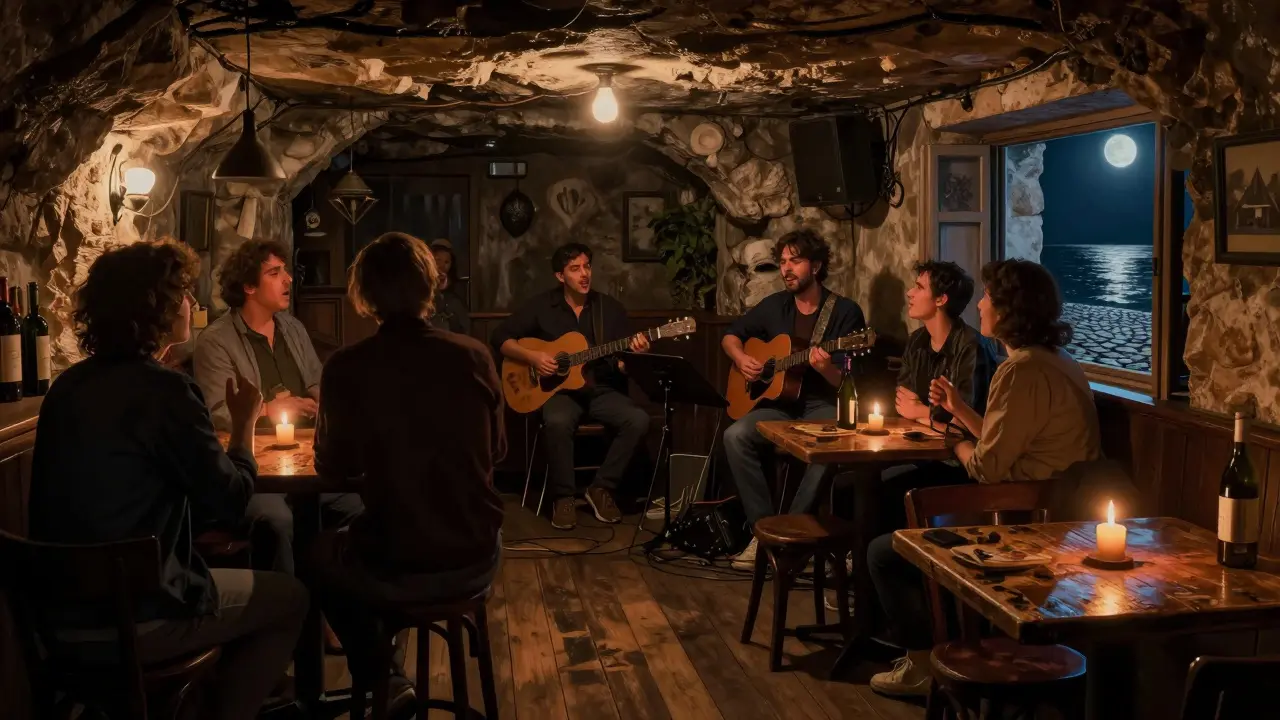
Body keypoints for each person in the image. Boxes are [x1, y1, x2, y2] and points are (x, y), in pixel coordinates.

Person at [28, 239, 307, 720]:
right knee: (291, 599)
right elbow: (234, 499)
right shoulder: (167, 390)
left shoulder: (66, 388)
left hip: (55, 619)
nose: (192, 305)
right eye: (183, 293)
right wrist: (244, 424)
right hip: (137, 618)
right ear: (155, 307)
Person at [868, 258, 1101, 698]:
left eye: (990, 297)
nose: (979, 305)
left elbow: (987, 467)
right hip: (1050, 506)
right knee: (900, 505)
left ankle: (924, 664)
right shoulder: (1053, 359)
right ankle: (947, 647)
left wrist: (952, 441)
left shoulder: (1021, 371)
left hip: (1029, 518)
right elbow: (1006, 441)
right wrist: (958, 410)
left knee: (886, 551)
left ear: (1011, 308)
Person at [311, 231, 505, 712]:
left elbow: (333, 470)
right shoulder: (473, 356)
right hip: (475, 547)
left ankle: (380, 671)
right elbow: (498, 450)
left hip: (393, 554)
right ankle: (386, 663)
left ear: (364, 295)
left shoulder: (345, 367)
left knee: (313, 556)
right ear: (429, 287)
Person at [194, 239, 363, 575]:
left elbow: (318, 382)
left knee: (358, 508)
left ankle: (333, 605)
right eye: (275, 272)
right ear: (248, 286)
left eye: (285, 270)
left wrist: (319, 401)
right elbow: (217, 412)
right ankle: (287, 612)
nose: (288, 279)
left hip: (307, 463)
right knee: (276, 520)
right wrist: (272, 409)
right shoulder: (216, 341)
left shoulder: (292, 328)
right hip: (255, 471)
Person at [721, 229, 866, 571]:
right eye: (783, 261)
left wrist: (826, 368)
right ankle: (763, 532)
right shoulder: (775, 306)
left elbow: (850, 380)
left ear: (815, 267)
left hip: (822, 405)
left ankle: (793, 533)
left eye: (795, 261)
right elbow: (731, 336)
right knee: (735, 435)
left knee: (831, 441)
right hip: (778, 406)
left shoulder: (845, 313)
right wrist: (742, 359)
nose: (786, 268)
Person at [492, 242, 651, 531]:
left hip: (600, 389)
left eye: (587, 266)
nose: (584, 274)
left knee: (638, 420)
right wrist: (534, 357)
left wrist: (633, 358)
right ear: (560, 276)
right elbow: (500, 338)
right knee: (557, 420)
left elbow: (622, 364)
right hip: (558, 392)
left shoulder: (609, 309)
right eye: (575, 268)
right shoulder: (542, 306)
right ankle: (563, 496)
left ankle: (601, 488)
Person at [876, 261, 998, 532]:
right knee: (853, 483)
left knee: (885, 488)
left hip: (961, 465)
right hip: (922, 451)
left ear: (941, 299)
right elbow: (902, 402)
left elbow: (962, 422)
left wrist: (922, 412)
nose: (909, 293)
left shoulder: (971, 346)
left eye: (919, 287)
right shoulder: (917, 340)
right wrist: (927, 414)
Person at [428, 238, 471, 334]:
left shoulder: (457, 288)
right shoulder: (422, 286)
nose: (442, 266)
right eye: (438, 260)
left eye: (447, 262)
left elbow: (462, 320)